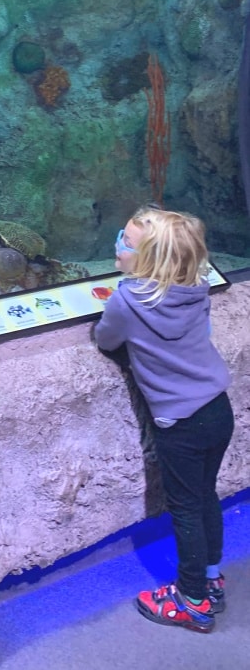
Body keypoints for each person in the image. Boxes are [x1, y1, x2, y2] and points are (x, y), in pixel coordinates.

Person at [94, 206, 233, 634]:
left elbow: (106, 339)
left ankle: (191, 601)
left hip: (180, 422)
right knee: (206, 496)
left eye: (128, 242)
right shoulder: (195, 287)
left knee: (185, 509)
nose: (120, 244)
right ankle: (211, 578)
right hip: (216, 408)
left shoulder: (127, 301)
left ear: (147, 259)